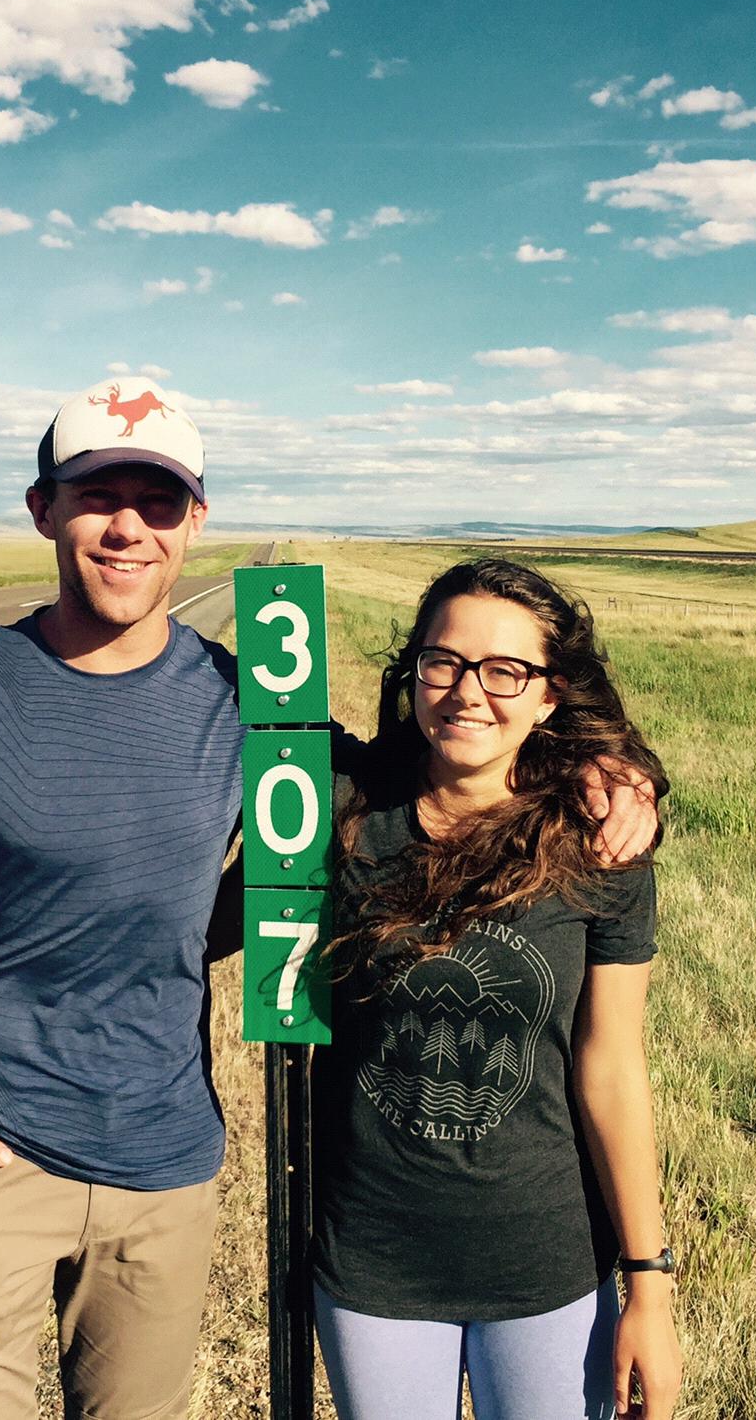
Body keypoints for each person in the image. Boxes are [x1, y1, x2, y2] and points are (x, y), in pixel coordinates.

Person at [0, 378, 661, 1420]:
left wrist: (617, 770)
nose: (127, 526)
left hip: (164, 1159)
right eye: (94, 496)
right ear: (42, 510)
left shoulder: (248, 702)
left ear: (194, 523)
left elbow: (375, 806)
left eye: (157, 502)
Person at [311, 558, 682, 1420]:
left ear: (551, 696)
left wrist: (649, 1286)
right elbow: (200, 907)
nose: (468, 692)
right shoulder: (344, 811)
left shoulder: (599, 845)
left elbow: (614, 1069)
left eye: (506, 670)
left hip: (548, 1265)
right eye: (443, 663)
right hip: (374, 1263)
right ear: (411, 673)